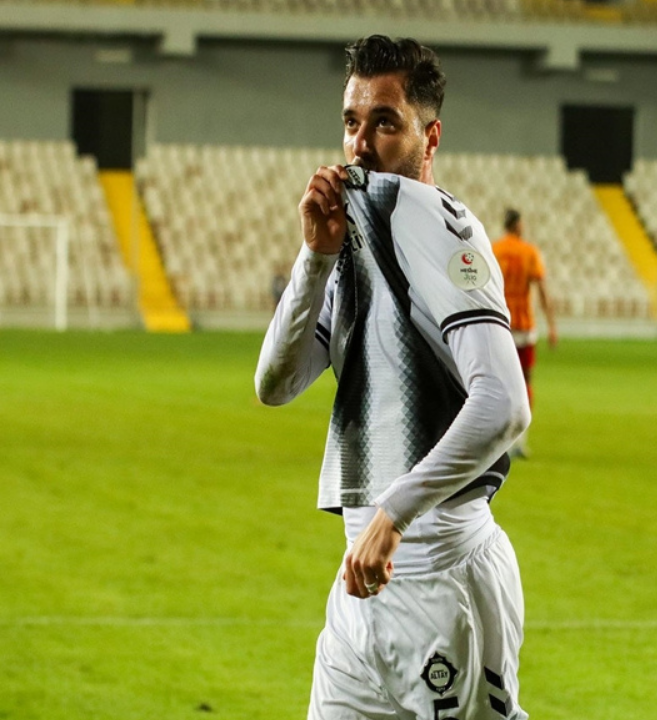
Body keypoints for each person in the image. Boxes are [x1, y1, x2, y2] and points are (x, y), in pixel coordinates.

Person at [255, 35, 532, 720]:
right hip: (362, 586)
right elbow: (275, 384)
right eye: (352, 121)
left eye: (385, 122)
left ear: (428, 137)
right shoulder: (356, 238)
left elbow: (505, 404)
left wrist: (394, 513)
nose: (360, 144)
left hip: (443, 578)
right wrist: (315, 257)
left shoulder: (444, 231)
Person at [491, 208, 557, 458]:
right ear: (518, 225)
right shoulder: (529, 252)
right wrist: (552, 326)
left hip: (500, 324)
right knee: (525, 381)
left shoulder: (494, 250)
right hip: (524, 325)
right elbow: (542, 290)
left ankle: (499, 440)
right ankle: (520, 440)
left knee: (499, 383)